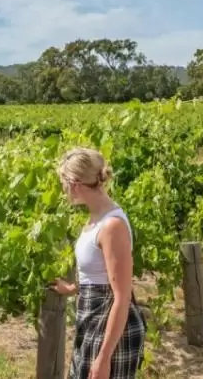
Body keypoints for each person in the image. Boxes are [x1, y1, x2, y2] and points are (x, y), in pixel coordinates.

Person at [52, 148, 145, 379]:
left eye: (64, 183)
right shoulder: (96, 219)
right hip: (92, 320)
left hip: (111, 331)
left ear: (75, 183)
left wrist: (104, 357)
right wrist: (72, 289)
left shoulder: (112, 226)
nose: (63, 190)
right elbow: (97, 277)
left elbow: (121, 297)